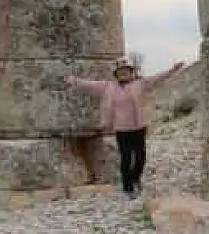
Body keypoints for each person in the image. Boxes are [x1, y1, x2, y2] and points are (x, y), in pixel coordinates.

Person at [64, 57, 185, 197]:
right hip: (121, 129)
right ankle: (128, 188)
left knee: (141, 158)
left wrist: (172, 70)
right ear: (116, 74)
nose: (123, 73)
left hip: (139, 127)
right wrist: (74, 80)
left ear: (131, 72)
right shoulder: (108, 87)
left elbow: (158, 78)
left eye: (126, 70)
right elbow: (89, 85)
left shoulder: (141, 84)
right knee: (126, 158)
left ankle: (135, 179)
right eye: (120, 71)